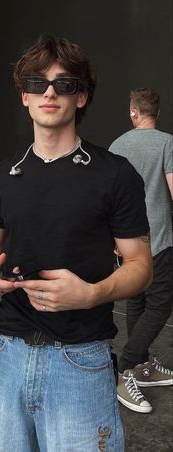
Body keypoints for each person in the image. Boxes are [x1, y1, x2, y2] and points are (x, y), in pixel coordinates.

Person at [0, 35, 152, 452]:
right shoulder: (3, 174)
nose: (49, 91)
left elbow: (140, 263)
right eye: (37, 83)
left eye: (65, 84)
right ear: (24, 96)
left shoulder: (115, 175)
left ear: (82, 96)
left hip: (79, 361)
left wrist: (92, 293)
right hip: (6, 356)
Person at [109, 87, 173, 414]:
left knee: (138, 299)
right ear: (156, 113)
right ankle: (128, 367)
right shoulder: (167, 142)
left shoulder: (117, 145)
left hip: (126, 241)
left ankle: (142, 367)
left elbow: (106, 198)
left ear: (134, 112)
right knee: (161, 302)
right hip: (159, 239)